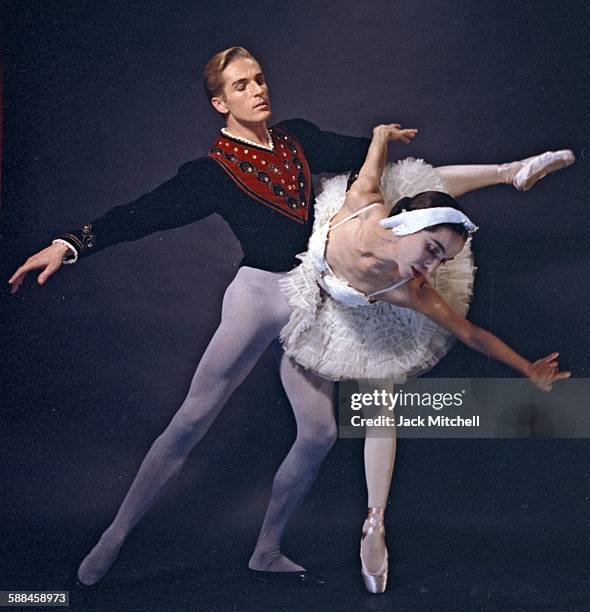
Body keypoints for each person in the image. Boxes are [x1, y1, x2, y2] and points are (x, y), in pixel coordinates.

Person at [7, 47, 574, 589]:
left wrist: (384, 141)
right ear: (219, 103)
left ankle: (266, 549)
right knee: (193, 418)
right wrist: (71, 242)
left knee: (321, 431)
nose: (257, 91)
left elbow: (368, 167)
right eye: (240, 85)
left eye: (258, 80)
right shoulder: (210, 172)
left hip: (324, 298)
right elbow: (144, 213)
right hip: (262, 293)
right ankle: (115, 534)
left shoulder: (297, 137)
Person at [277, 123, 573, 592]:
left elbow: (472, 334)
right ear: (406, 229)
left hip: (369, 318)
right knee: (418, 186)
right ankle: (508, 171)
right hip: (321, 303)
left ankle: (375, 525)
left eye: (442, 261)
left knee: (382, 405)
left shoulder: (414, 289)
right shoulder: (363, 203)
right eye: (432, 251)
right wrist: (380, 134)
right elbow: (375, 159)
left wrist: (525, 369)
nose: (431, 268)